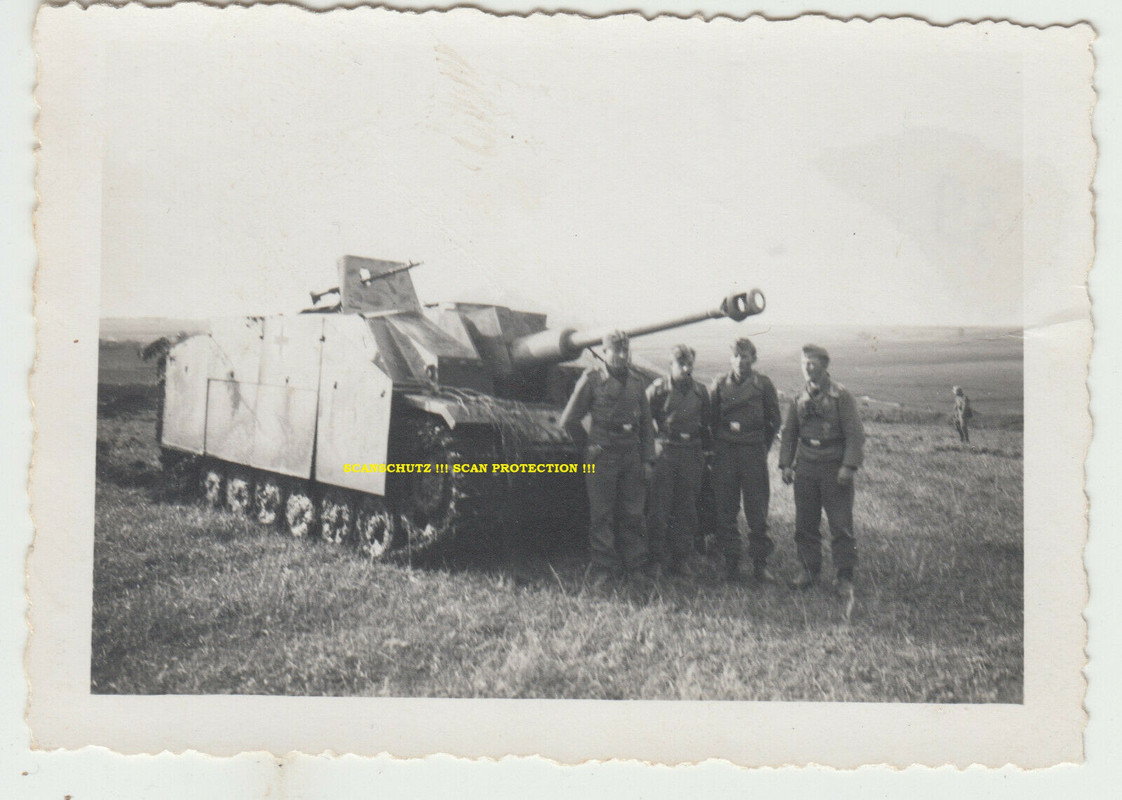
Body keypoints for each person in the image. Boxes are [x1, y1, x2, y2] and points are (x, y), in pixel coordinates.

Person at [559, 330, 656, 586]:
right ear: (605, 352)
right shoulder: (591, 380)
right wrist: (588, 447)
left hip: (630, 454)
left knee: (633, 513)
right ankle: (604, 568)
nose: (621, 355)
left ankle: (635, 566)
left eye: (625, 350)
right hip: (603, 455)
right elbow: (569, 420)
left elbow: (646, 423)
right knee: (601, 515)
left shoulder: (637, 382)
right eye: (616, 350)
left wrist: (647, 459)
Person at [778, 344, 866, 605]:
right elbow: (789, 434)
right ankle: (808, 570)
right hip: (806, 467)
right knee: (805, 523)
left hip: (833, 467)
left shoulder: (841, 397)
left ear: (825, 367)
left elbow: (855, 434)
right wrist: (785, 464)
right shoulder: (798, 398)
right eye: (804, 363)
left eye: (812, 363)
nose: (807, 368)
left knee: (840, 525)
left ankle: (844, 576)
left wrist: (848, 466)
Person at [709, 337, 782, 582]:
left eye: (746, 356)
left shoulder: (763, 384)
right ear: (731, 358)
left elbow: (774, 420)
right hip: (726, 452)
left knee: (757, 510)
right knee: (726, 509)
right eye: (737, 356)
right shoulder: (719, 384)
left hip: (753, 452)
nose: (741, 361)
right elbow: (710, 418)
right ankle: (731, 564)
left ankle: (760, 566)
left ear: (754, 359)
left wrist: (762, 446)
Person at [646, 344, 710, 578]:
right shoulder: (658, 389)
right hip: (667, 451)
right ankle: (655, 559)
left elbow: (706, 424)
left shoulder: (701, 392)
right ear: (670, 365)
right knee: (659, 509)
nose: (685, 369)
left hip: (691, 452)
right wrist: (653, 444)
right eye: (680, 364)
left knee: (687, 509)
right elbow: (643, 418)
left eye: (689, 364)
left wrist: (704, 454)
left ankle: (681, 558)